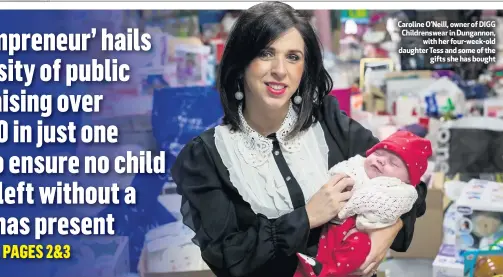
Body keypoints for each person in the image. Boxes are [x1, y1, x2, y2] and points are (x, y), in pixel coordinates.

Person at [171, 2, 427, 277]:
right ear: (241, 62)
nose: (280, 70)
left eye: (293, 57)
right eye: (266, 53)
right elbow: (228, 259)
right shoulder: (206, 157)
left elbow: (411, 185)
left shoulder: (328, 122)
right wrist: (307, 217)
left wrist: (391, 228)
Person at [294, 130, 432, 277]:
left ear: (407, 180)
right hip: (328, 230)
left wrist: (392, 225)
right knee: (322, 250)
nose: (381, 160)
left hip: (357, 235)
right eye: (378, 153)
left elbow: (392, 212)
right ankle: (311, 269)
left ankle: (327, 272)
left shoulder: (398, 192)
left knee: (359, 245)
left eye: (393, 163)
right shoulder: (353, 168)